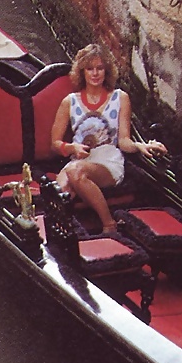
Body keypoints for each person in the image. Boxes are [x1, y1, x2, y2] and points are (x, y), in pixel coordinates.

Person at [50, 44, 167, 234]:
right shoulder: (70, 102)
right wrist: (72, 148)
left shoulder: (120, 98)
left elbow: (124, 141)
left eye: (100, 68)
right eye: (90, 68)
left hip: (107, 160)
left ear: (107, 71)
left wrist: (140, 146)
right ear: (82, 72)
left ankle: (109, 224)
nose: (95, 73)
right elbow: (55, 144)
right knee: (58, 193)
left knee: (76, 172)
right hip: (79, 159)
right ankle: (68, 242)